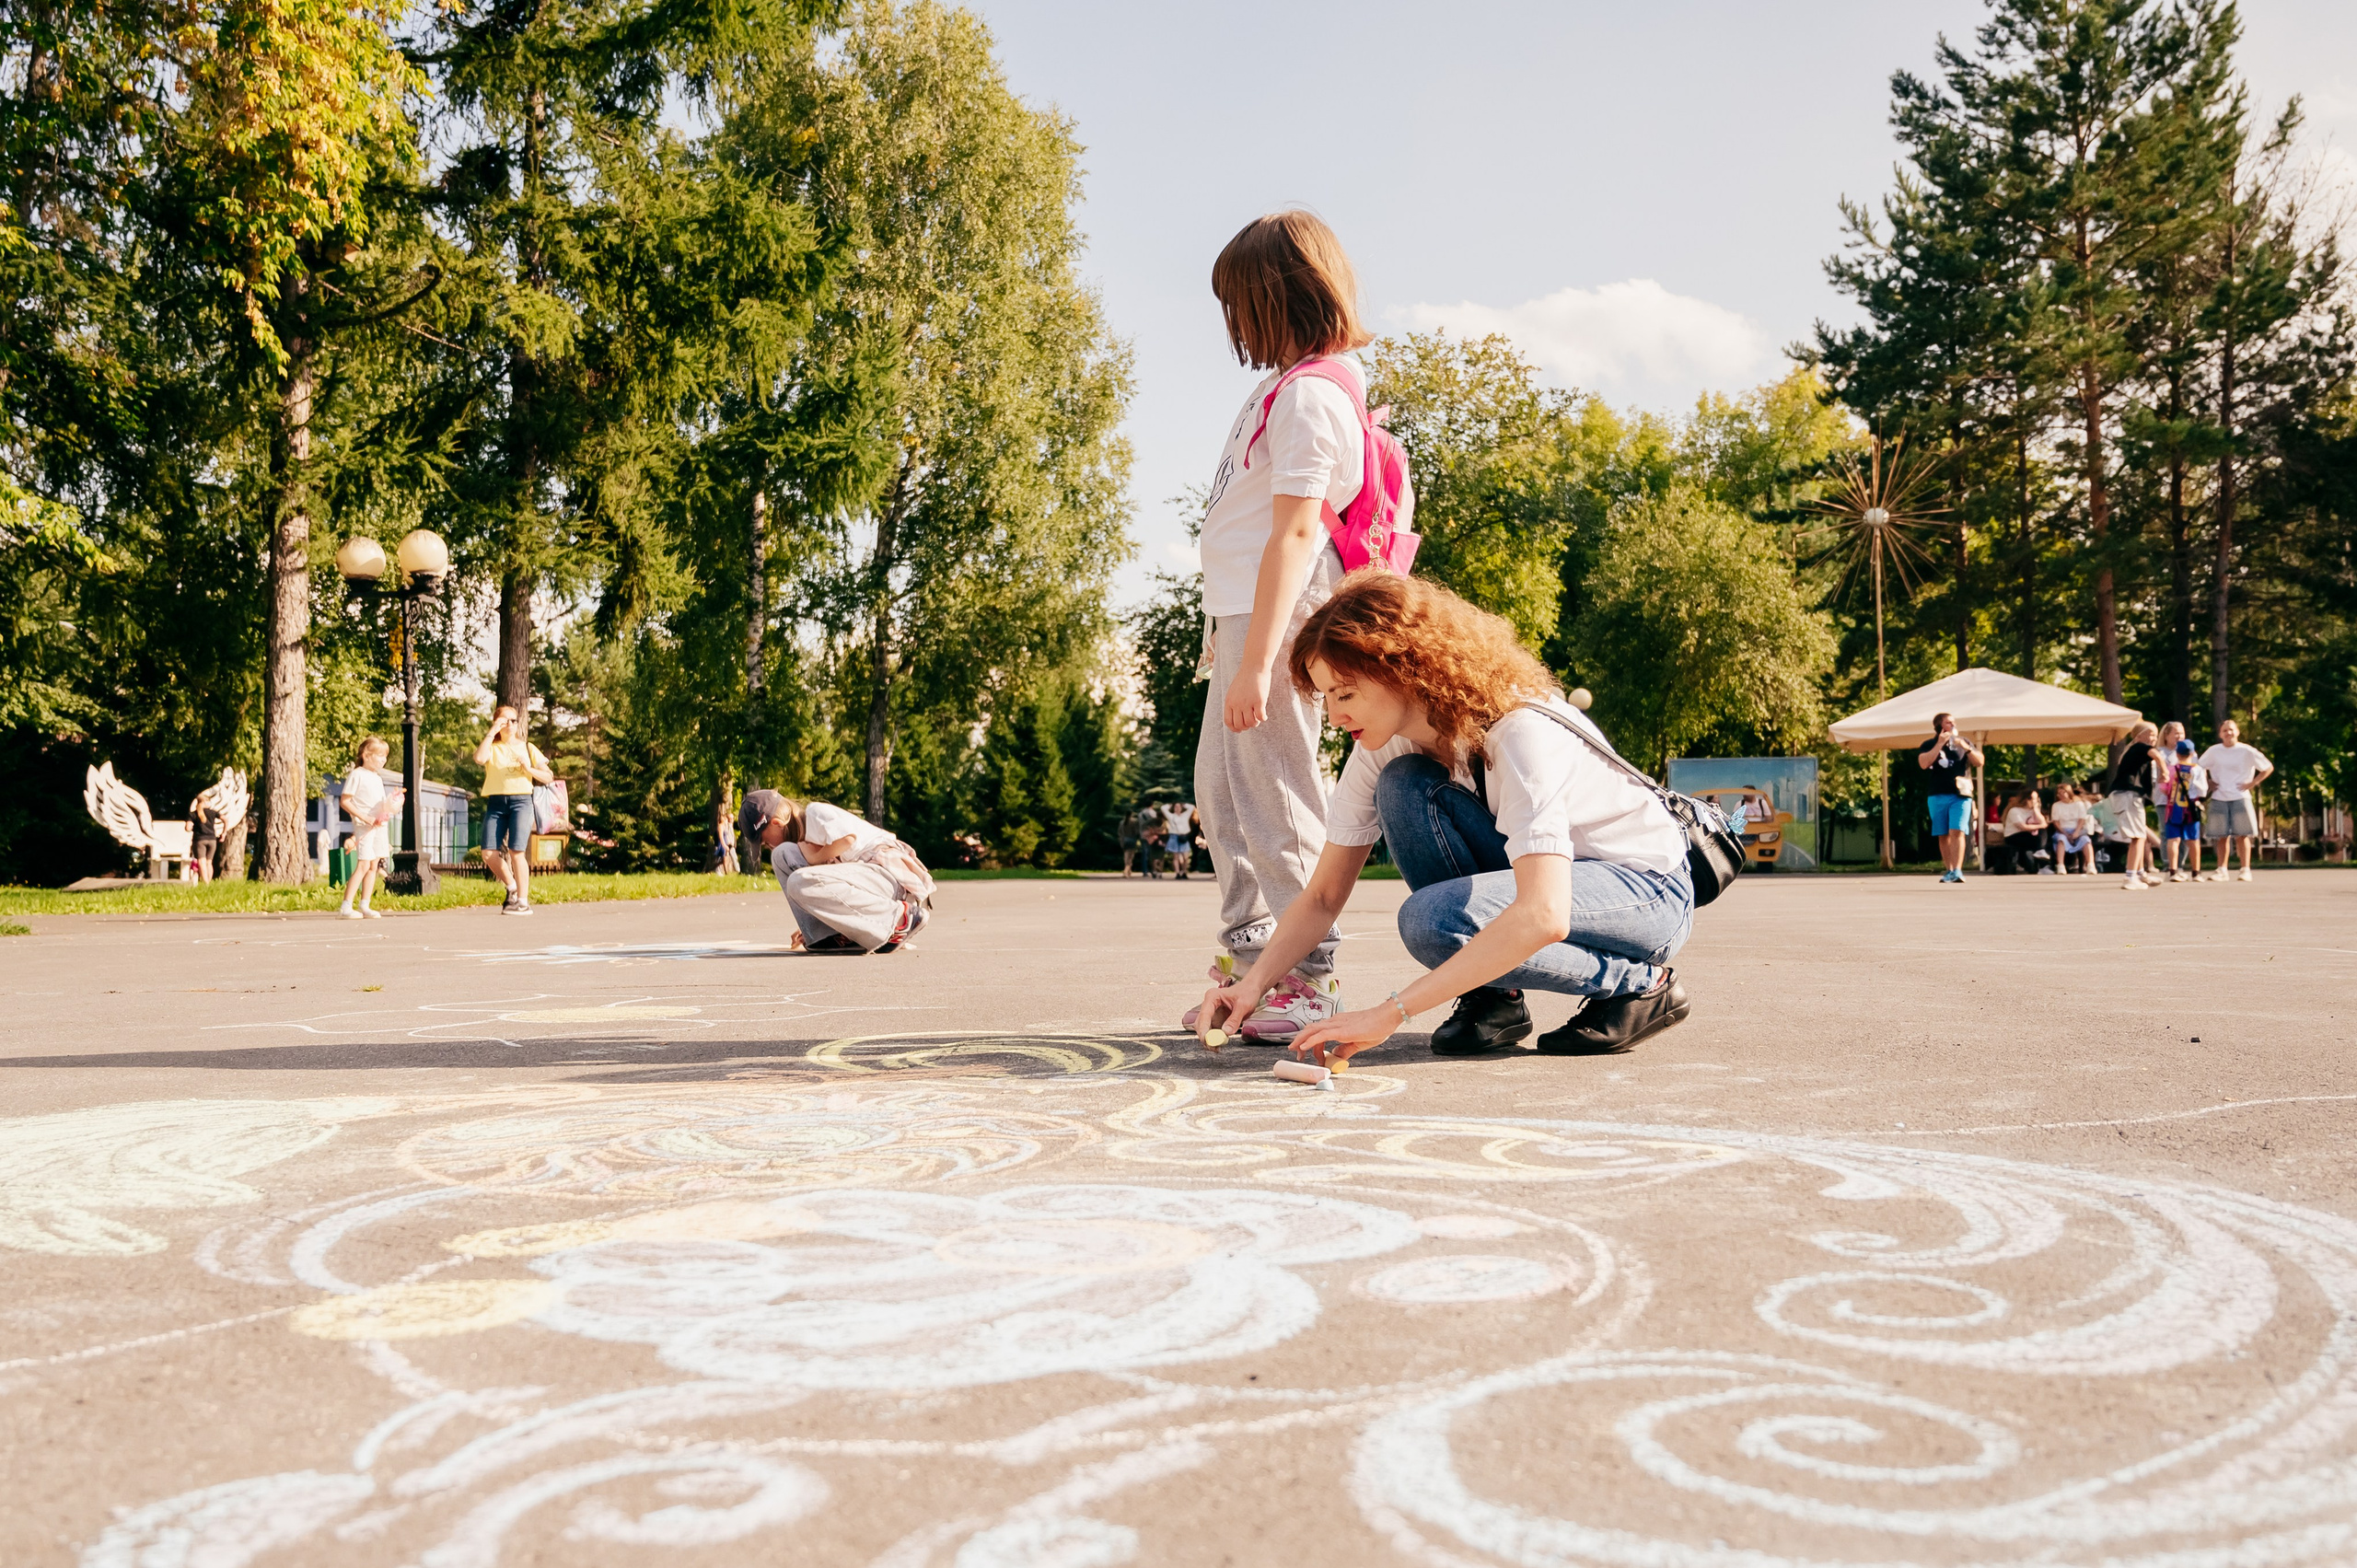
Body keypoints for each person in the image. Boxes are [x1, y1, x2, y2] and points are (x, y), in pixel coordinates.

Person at [1196, 571, 1695, 1063]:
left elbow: (1544, 912)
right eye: (1326, 696)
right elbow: (1324, 895)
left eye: (1345, 693)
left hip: (1646, 891)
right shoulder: (1382, 744)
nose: (1334, 716)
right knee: (1403, 783)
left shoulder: (1519, 733)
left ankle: (1642, 984)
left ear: (1402, 667)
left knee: (1435, 921)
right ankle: (1495, 999)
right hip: (1562, 885)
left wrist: (1391, 1013)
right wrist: (1255, 984)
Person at [1184, 211, 1376, 1038]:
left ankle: (1306, 975)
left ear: (1278, 299)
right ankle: (1252, 961)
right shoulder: (1282, 387)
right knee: (1222, 795)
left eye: (1240, 307)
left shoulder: (1311, 395)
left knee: (1279, 797)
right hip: (1240, 620)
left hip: (1280, 622)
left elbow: (1298, 532)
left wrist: (1261, 661)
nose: (1234, 327)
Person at [737, 788, 933, 953]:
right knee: (782, 856)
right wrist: (825, 916)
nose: (766, 845)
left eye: (764, 840)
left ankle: (900, 918)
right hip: (864, 882)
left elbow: (848, 840)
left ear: (777, 824)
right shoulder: (804, 841)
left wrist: (815, 858)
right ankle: (826, 935)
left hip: (887, 876)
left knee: (799, 880)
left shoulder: (814, 813)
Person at [473, 705, 553, 915]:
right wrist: (492, 732)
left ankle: (523, 902)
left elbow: (548, 777)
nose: (509, 724)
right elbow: (479, 759)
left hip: (521, 801)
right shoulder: (492, 746)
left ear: (519, 724)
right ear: (496, 723)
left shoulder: (528, 748)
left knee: (517, 851)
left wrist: (529, 769)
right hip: (496, 802)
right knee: (488, 853)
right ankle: (512, 887)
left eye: (513, 721)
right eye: (504, 720)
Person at [2198, 718, 2273, 881]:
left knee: (2242, 835)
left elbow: (2267, 767)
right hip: (2219, 797)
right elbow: (2198, 767)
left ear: (2237, 732)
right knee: (2221, 836)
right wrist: (2208, 781)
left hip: (2240, 796)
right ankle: (2221, 870)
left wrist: (2253, 783)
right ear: (2220, 734)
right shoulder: (2214, 751)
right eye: (2225, 730)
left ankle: (2245, 869)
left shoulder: (2246, 751)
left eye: (2231, 730)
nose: (2228, 733)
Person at [1917, 714, 1983, 883]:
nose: (1953, 724)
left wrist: (1967, 748)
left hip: (1961, 795)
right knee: (1943, 833)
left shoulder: (1964, 742)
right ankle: (1949, 870)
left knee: (1958, 830)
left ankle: (1958, 870)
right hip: (1937, 794)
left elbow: (1980, 761)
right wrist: (1940, 743)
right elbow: (1923, 763)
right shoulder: (1929, 744)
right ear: (1939, 726)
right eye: (1948, 722)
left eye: (1954, 722)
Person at [338, 737, 396, 920]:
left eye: (385, 756)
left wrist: (391, 805)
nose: (383, 760)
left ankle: (365, 904)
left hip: (379, 825)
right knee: (363, 864)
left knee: (373, 864)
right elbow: (345, 801)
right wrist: (364, 817)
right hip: (365, 826)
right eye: (380, 756)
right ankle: (346, 906)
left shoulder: (377, 778)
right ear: (366, 755)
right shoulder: (357, 774)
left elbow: (379, 803)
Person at [2106, 721, 2162, 890]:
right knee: (2137, 836)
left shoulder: (2134, 752)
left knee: (2141, 836)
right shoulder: (2139, 747)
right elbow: (2156, 755)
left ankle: (2139, 873)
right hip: (2127, 795)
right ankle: (2130, 876)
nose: (2154, 738)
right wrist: (2165, 771)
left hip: (2130, 796)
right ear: (2138, 736)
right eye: (2150, 734)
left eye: (2155, 734)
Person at [2159, 738, 2208, 881]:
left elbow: (2163, 789)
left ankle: (2173, 871)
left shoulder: (2171, 769)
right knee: (2193, 840)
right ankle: (2196, 872)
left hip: (2173, 808)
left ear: (2177, 753)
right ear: (2192, 753)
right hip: (2190, 809)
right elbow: (2203, 791)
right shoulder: (2197, 770)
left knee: (2173, 840)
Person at [2049, 783, 2098, 875]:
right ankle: (2060, 865)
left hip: (2077, 829)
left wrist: (2077, 832)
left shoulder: (2079, 804)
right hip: (2063, 830)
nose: (2061, 795)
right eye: (2059, 793)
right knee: (2061, 839)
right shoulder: (2056, 805)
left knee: (2086, 840)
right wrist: (2065, 833)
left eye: (2063, 792)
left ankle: (2091, 865)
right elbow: (2056, 822)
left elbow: (2081, 819)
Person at [2000, 790, 2049, 875]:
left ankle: (2042, 856)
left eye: (2037, 799)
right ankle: (2040, 853)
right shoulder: (2015, 811)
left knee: (2043, 832)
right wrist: (2040, 826)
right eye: (2033, 799)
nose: (2035, 801)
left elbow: (2043, 822)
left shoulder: (2033, 811)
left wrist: (2036, 810)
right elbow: (2023, 827)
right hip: (2014, 836)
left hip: (2029, 834)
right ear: (2026, 799)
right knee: (2039, 833)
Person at [1161, 799, 1198, 880]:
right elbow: (1163, 808)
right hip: (1174, 836)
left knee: (1185, 857)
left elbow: (1192, 807)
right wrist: (1170, 804)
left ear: (1181, 808)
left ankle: (1184, 872)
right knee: (1176, 857)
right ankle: (1177, 873)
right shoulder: (1171, 816)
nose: (1177, 808)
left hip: (1184, 837)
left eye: (1179, 807)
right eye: (1176, 807)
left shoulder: (1185, 815)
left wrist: (1184, 804)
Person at [1118, 807, 1143, 877]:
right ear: (1131, 814)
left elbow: (1119, 832)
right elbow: (1136, 831)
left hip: (1124, 840)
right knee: (1131, 856)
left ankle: (1129, 870)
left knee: (1126, 855)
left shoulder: (1122, 822)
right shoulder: (1134, 821)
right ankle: (1126, 870)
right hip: (1132, 839)